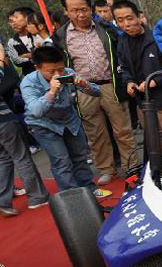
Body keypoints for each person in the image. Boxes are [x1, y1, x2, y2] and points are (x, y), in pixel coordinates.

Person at [52, 0, 137, 184]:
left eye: (84, 9)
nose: (80, 14)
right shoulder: (60, 36)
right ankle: (106, 168)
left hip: (110, 84)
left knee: (122, 129)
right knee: (95, 132)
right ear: (66, 12)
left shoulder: (106, 28)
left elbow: (122, 51)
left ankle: (132, 166)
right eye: (74, 11)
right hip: (82, 89)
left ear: (90, 8)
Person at [19, 46, 110, 198]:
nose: (58, 74)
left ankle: (89, 189)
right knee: (62, 162)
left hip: (70, 121)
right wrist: (52, 92)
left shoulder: (68, 73)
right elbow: (35, 110)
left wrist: (84, 85)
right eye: (51, 71)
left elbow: (97, 92)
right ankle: (73, 197)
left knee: (80, 157)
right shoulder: (29, 82)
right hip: (44, 125)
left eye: (60, 69)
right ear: (38, 68)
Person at [113, 0, 162, 152]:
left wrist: (154, 81)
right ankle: (160, 174)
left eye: (129, 18)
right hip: (142, 101)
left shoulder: (158, 38)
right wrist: (129, 81)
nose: (126, 24)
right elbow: (122, 66)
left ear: (139, 16)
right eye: (120, 20)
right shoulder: (122, 41)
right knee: (153, 143)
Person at [0, 44, 48, 215]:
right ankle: (37, 197)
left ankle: (3, 200)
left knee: (3, 159)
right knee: (21, 157)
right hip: (3, 120)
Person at [6, 7, 40, 76]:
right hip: (30, 76)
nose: (13, 23)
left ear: (27, 17)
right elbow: (17, 61)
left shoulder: (38, 34)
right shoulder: (12, 42)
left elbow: (45, 52)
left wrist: (29, 55)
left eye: (16, 18)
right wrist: (35, 56)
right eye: (10, 21)